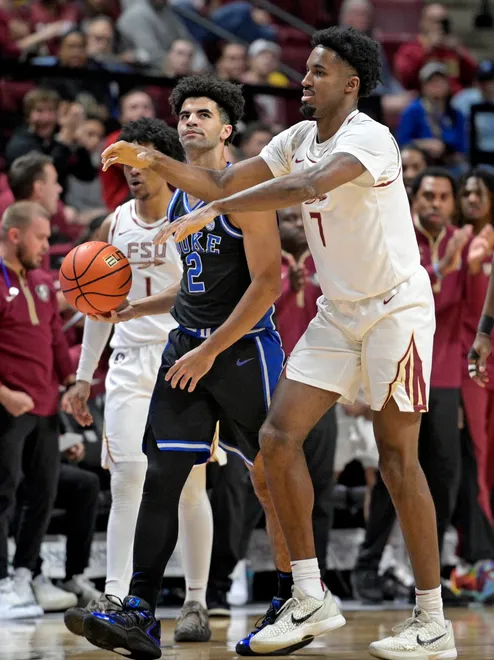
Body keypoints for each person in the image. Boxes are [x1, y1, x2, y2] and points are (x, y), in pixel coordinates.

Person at [102, 26, 457, 658]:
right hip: (339, 311)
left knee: (398, 459)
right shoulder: (295, 138)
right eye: (307, 69)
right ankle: (309, 594)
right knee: (276, 440)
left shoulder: (370, 138)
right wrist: (156, 162)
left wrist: (216, 208)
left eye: (319, 72)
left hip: (395, 310)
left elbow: (302, 189)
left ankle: (432, 619)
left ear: (350, 84)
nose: (305, 79)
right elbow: (221, 182)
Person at [82, 74, 288, 659]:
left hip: (245, 352)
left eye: (204, 113)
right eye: (185, 114)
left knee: (270, 483)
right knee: (160, 480)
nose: (191, 121)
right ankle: (141, 611)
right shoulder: (177, 199)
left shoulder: (249, 188)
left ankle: (292, 596)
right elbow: (189, 293)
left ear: (227, 128)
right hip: (187, 351)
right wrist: (133, 308)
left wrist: (210, 350)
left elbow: (268, 284)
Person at [62, 118, 214, 642]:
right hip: (127, 362)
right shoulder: (114, 224)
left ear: (164, 162)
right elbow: (95, 307)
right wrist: (84, 378)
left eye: (141, 158)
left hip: (183, 359)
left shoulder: (192, 218)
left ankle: (195, 601)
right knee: (126, 478)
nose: (131, 171)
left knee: (189, 487)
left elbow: (200, 296)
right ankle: (116, 593)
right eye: (124, 161)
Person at [353, 168, 470, 605]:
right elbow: (414, 301)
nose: (435, 203)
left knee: (441, 481)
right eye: (428, 195)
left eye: (443, 196)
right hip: (399, 367)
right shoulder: (397, 236)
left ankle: (430, 577)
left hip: (445, 378)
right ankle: (367, 568)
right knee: (391, 474)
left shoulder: (467, 242)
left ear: (452, 203)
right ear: (413, 198)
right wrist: (445, 265)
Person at [0, 201, 75, 619]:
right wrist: (4, 394)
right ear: (15, 235)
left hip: (44, 406)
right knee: (2, 493)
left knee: (41, 495)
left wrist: (72, 385)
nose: (47, 246)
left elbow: (55, 342)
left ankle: (25, 573)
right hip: (9, 405)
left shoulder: (44, 282)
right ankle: (0, 581)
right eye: (40, 237)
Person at [394, 2, 476, 94]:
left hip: (454, 98)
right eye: (434, 21)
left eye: (443, 21)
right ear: (423, 23)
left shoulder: (453, 49)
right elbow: (405, 78)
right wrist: (428, 49)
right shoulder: (410, 48)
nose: (440, 26)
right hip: (424, 98)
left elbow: (472, 75)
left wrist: (459, 52)